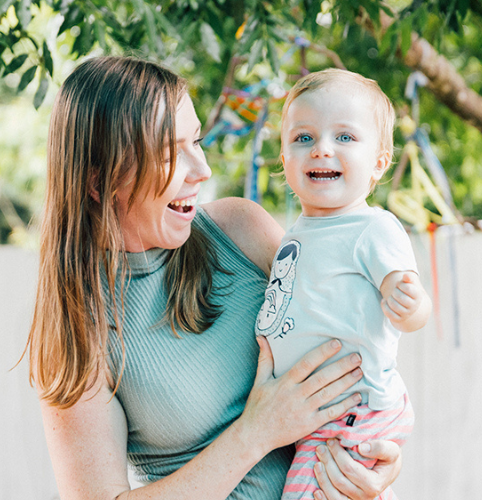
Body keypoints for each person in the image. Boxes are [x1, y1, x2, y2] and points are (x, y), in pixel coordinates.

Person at [24, 56, 404, 500]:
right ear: (99, 181)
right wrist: (256, 432)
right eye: (168, 153)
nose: (201, 170)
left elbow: (358, 348)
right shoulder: (79, 330)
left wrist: (380, 458)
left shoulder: (241, 231)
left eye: (197, 141)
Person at [255, 69, 432, 500]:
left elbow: (409, 295)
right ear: (283, 160)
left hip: (355, 406)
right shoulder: (297, 232)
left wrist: (409, 303)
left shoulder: (371, 228)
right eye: (303, 138)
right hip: (322, 412)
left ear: (379, 163)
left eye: (345, 138)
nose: (322, 150)